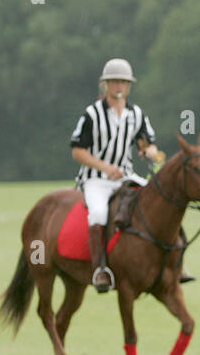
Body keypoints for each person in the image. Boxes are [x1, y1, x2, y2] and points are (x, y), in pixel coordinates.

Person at [70, 57, 169, 292]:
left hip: (126, 176)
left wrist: (151, 152)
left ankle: (172, 264)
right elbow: (77, 151)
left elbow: (147, 142)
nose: (118, 87)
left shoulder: (136, 114)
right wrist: (104, 167)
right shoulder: (92, 114)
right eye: (114, 82)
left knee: (160, 202)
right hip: (96, 179)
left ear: (129, 86)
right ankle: (100, 269)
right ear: (105, 85)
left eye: (123, 82)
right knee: (99, 212)